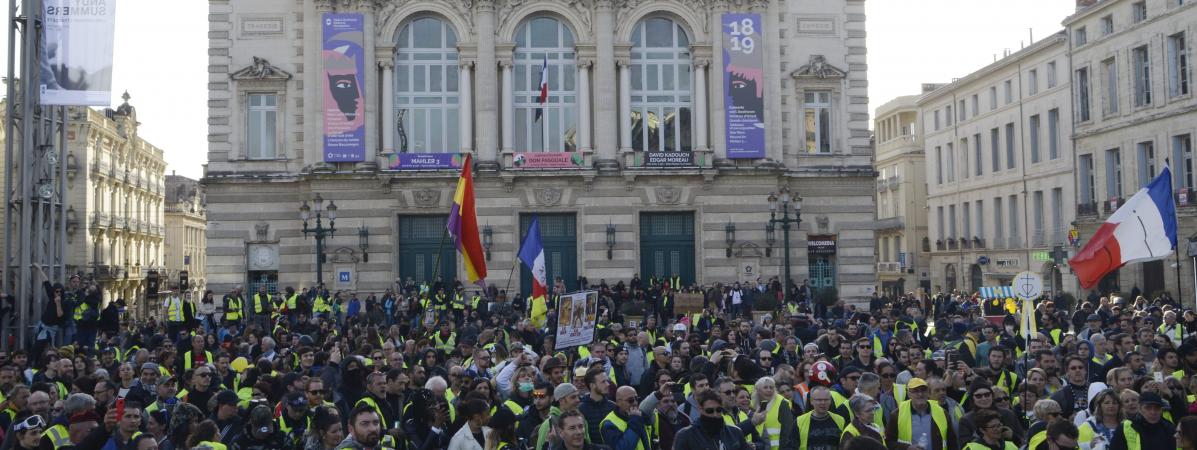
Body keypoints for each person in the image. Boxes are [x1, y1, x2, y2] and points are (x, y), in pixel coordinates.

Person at [883, 377, 957, 450]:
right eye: (915, 391)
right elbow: (888, 442)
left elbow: (952, 442)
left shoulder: (942, 413)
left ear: (928, 392)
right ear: (909, 394)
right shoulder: (897, 414)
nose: (920, 394)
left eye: (923, 390)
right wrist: (907, 448)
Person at [672, 389, 749, 450]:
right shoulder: (686, 436)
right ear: (700, 409)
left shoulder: (735, 433)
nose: (715, 414)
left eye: (718, 410)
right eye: (710, 411)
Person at [1108, 392, 1175, 450]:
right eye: (1148, 408)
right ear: (1139, 408)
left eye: (1157, 408)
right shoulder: (1126, 427)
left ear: (1161, 410)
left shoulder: (1169, 427)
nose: (1153, 412)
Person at [796, 385, 846, 450]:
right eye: (819, 400)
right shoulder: (799, 421)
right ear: (811, 401)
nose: (823, 403)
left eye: (826, 399)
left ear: (830, 401)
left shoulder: (840, 420)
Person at [600, 386, 650, 450]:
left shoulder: (638, 416)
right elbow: (622, 448)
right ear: (618, 402)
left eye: (637, 399)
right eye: (630, 400)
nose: (635, 403)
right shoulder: (609, 424)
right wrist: (635, 422)